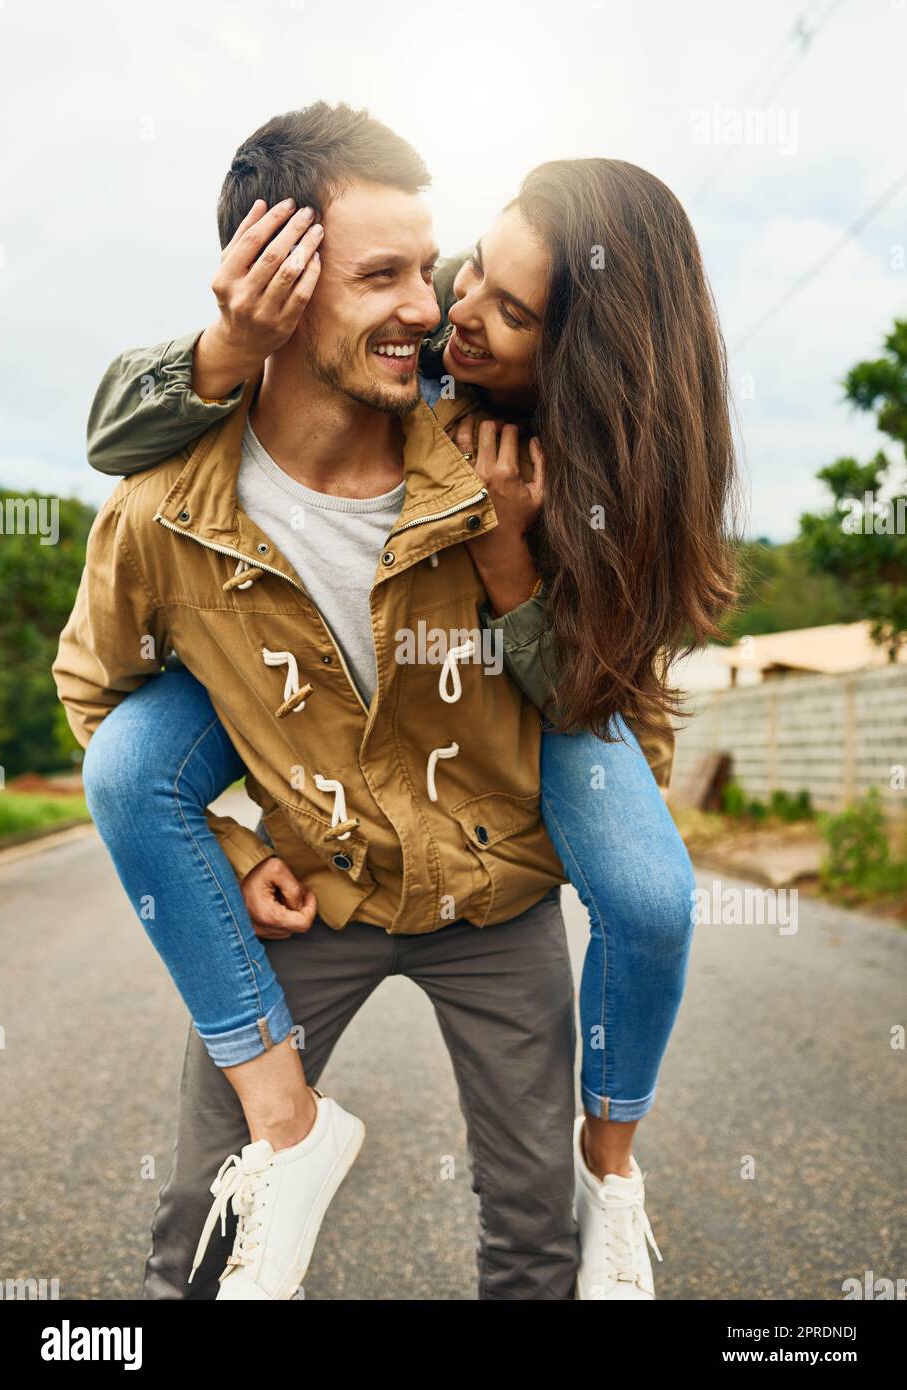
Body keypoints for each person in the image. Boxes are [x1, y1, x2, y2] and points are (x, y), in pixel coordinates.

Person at [60, 103, 739, 1301]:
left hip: (500, 854)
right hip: (316, 865)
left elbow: (600, 691)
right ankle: (290, 1131)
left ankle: (612, 1175)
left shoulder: (532, 465)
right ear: (281, 287)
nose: (445, 310)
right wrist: (220, 835)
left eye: (489, 301)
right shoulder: (176, 490)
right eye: (432, 270)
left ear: (568, 355)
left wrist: (513, 562)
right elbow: (100, 639)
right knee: (200, 1244)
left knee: (643, 916)